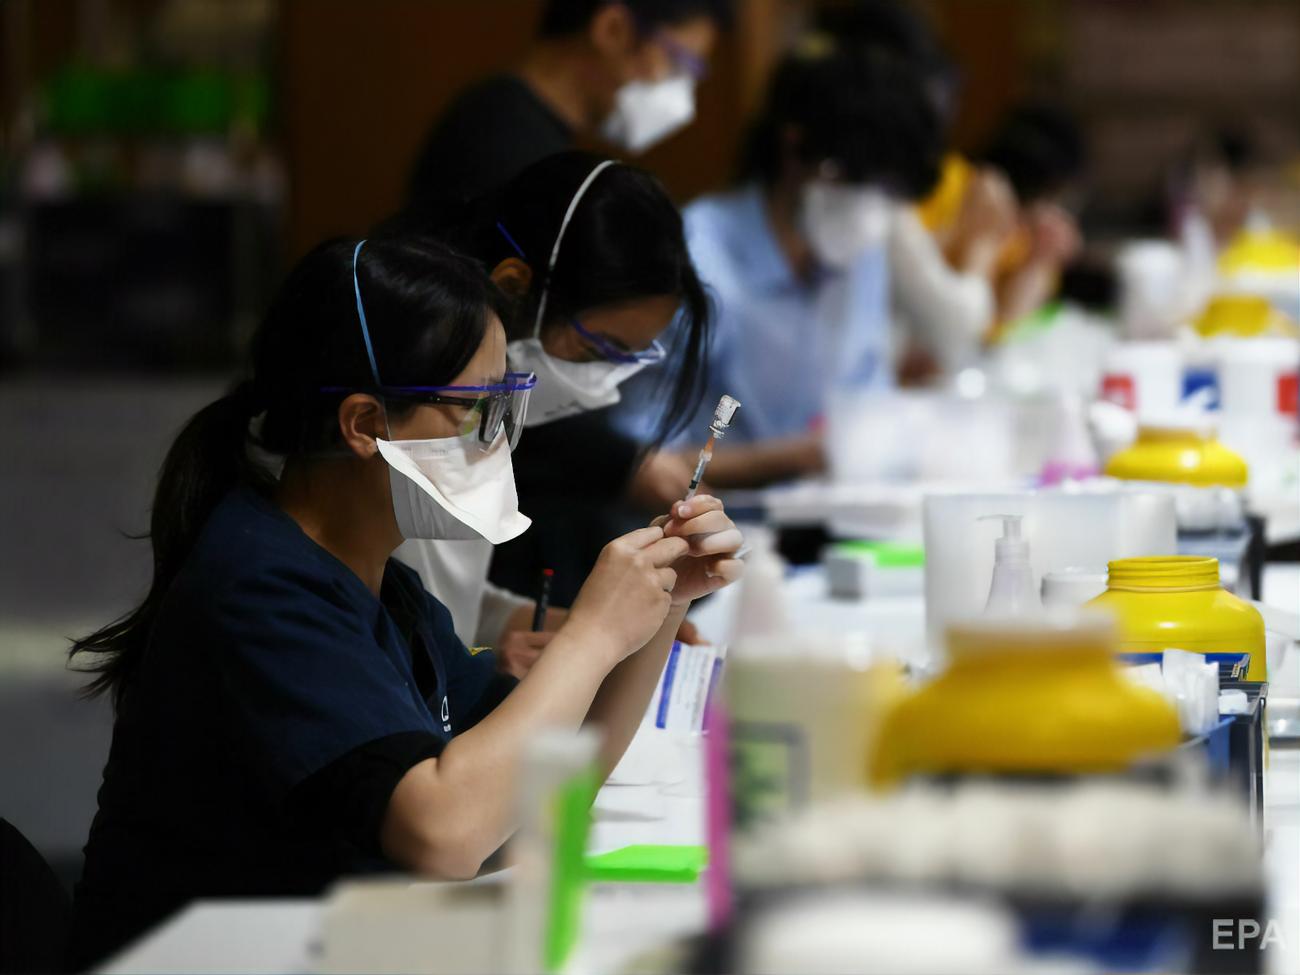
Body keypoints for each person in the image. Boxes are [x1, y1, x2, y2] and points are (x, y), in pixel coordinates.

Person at [67, 236, 743, 967]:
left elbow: (535, 795)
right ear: (364, 425)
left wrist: (662, 604)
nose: (496, 442)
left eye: (504, 408)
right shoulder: (259, 587)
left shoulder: (387, 590)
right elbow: (446, 833)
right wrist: (591, 635)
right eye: (473, 412)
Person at [380, 152, 712, 664]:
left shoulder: (477, 424)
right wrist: (499, 663)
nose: (603, 382)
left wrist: (594, 628)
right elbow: (391, 648)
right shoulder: (419, 428)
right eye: (597, 350)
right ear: (512, 287)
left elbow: (444, 604)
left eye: (626, 359)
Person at [617, 39, 944, 487]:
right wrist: (798, 457)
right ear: (794, 146)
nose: (869, 207)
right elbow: (639, 459)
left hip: (836, 507)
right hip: (708, 517)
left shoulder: (860, 253)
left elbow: (869, 398)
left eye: (889, 192)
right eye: (851, 180)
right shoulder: (698, 258)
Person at [406, 0, 730, 208]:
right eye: (678, 64)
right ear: (612, 30)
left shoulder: (511, 122)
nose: (684, 103)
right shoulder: (507, 150)